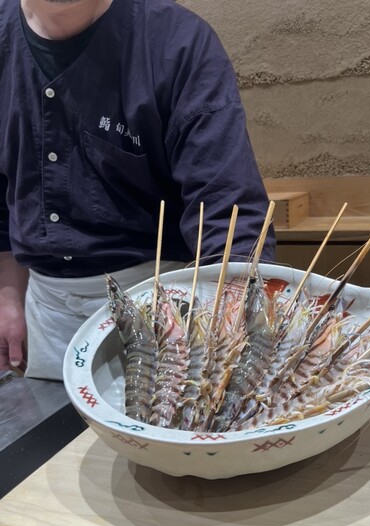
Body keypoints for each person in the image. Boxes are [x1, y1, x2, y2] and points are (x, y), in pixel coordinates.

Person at [0, 0, 276, 380]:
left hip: (164, 307)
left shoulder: (176, 42)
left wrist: (236, 322)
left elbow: (226, 207)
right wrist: (7, 296)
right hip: (46, 314)